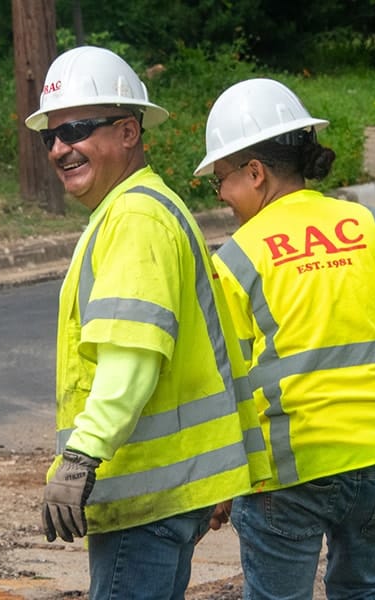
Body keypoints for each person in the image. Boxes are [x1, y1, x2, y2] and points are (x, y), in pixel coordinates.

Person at [194, 78, 375, 600]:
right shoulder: (374, 224)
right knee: (365, 590)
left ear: (255, 172)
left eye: (222, 180)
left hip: (293, 465)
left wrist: (219, 481)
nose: (223, 196)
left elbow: (222, 376)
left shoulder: (236, 257)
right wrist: (358, 313)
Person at [24, 47, 270, 600]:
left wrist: (81, 456)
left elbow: (132, 355)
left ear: (129, 131)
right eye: (51, 137)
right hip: (162, 490)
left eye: (79, 129)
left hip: (146, 491)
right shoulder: (144, 207)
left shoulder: (135, 216)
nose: (62, 148)